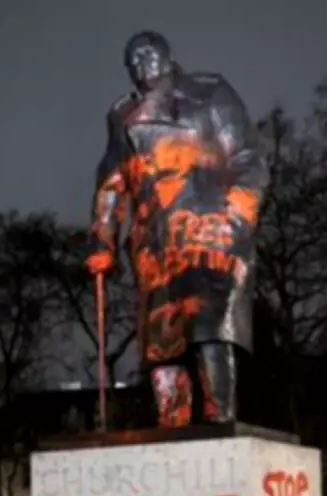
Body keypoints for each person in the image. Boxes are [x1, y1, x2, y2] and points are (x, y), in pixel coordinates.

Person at [86, 31, 269, 427]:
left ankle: (219, 419)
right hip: (154, 245)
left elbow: (246, 158)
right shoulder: (123, 118)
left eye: (148, 55)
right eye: (132, 60)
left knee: (207, 327)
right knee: (161, 346)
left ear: (168, 58)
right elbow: (112, 182)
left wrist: (234, 218)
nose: (141, 65)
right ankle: (173, 426)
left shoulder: (210, 94)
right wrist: (102, 237)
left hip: (209, 232)